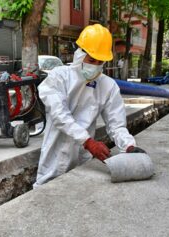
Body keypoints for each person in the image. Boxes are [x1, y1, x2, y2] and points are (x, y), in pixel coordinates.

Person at [33, 24, 145, 188]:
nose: (95, 65)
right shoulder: (58, 77)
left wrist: (128, 146)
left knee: (79, 192)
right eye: (91, 60)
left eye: (100, 62)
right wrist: (88, 142)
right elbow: (60, 115)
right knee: (46, 191)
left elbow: (116, 125)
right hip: (54, 154)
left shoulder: (108, 86)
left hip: (83, 157)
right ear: (80, 54)